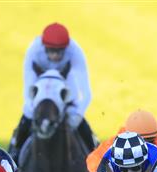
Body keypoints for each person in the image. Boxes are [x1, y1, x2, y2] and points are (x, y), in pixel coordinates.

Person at [9, 22, 95, 162]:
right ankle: (14, 156)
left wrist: (77, 115)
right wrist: (32, 110)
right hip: (41, 88)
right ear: (44, 47)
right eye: (51, 51)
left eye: (60, 51)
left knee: (85, 130)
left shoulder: (75, 52)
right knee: (25, 121)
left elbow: (86, 93)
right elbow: (29, 90)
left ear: (66, 48)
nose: (55, 55)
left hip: (65, 86)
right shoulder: (34, 51)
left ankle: (94, 159)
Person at [86, 109, 157, 172]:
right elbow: (93, 161)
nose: (144, 145)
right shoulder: (116, 142)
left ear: (156, 136)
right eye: (137, 142)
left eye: (149, 141)